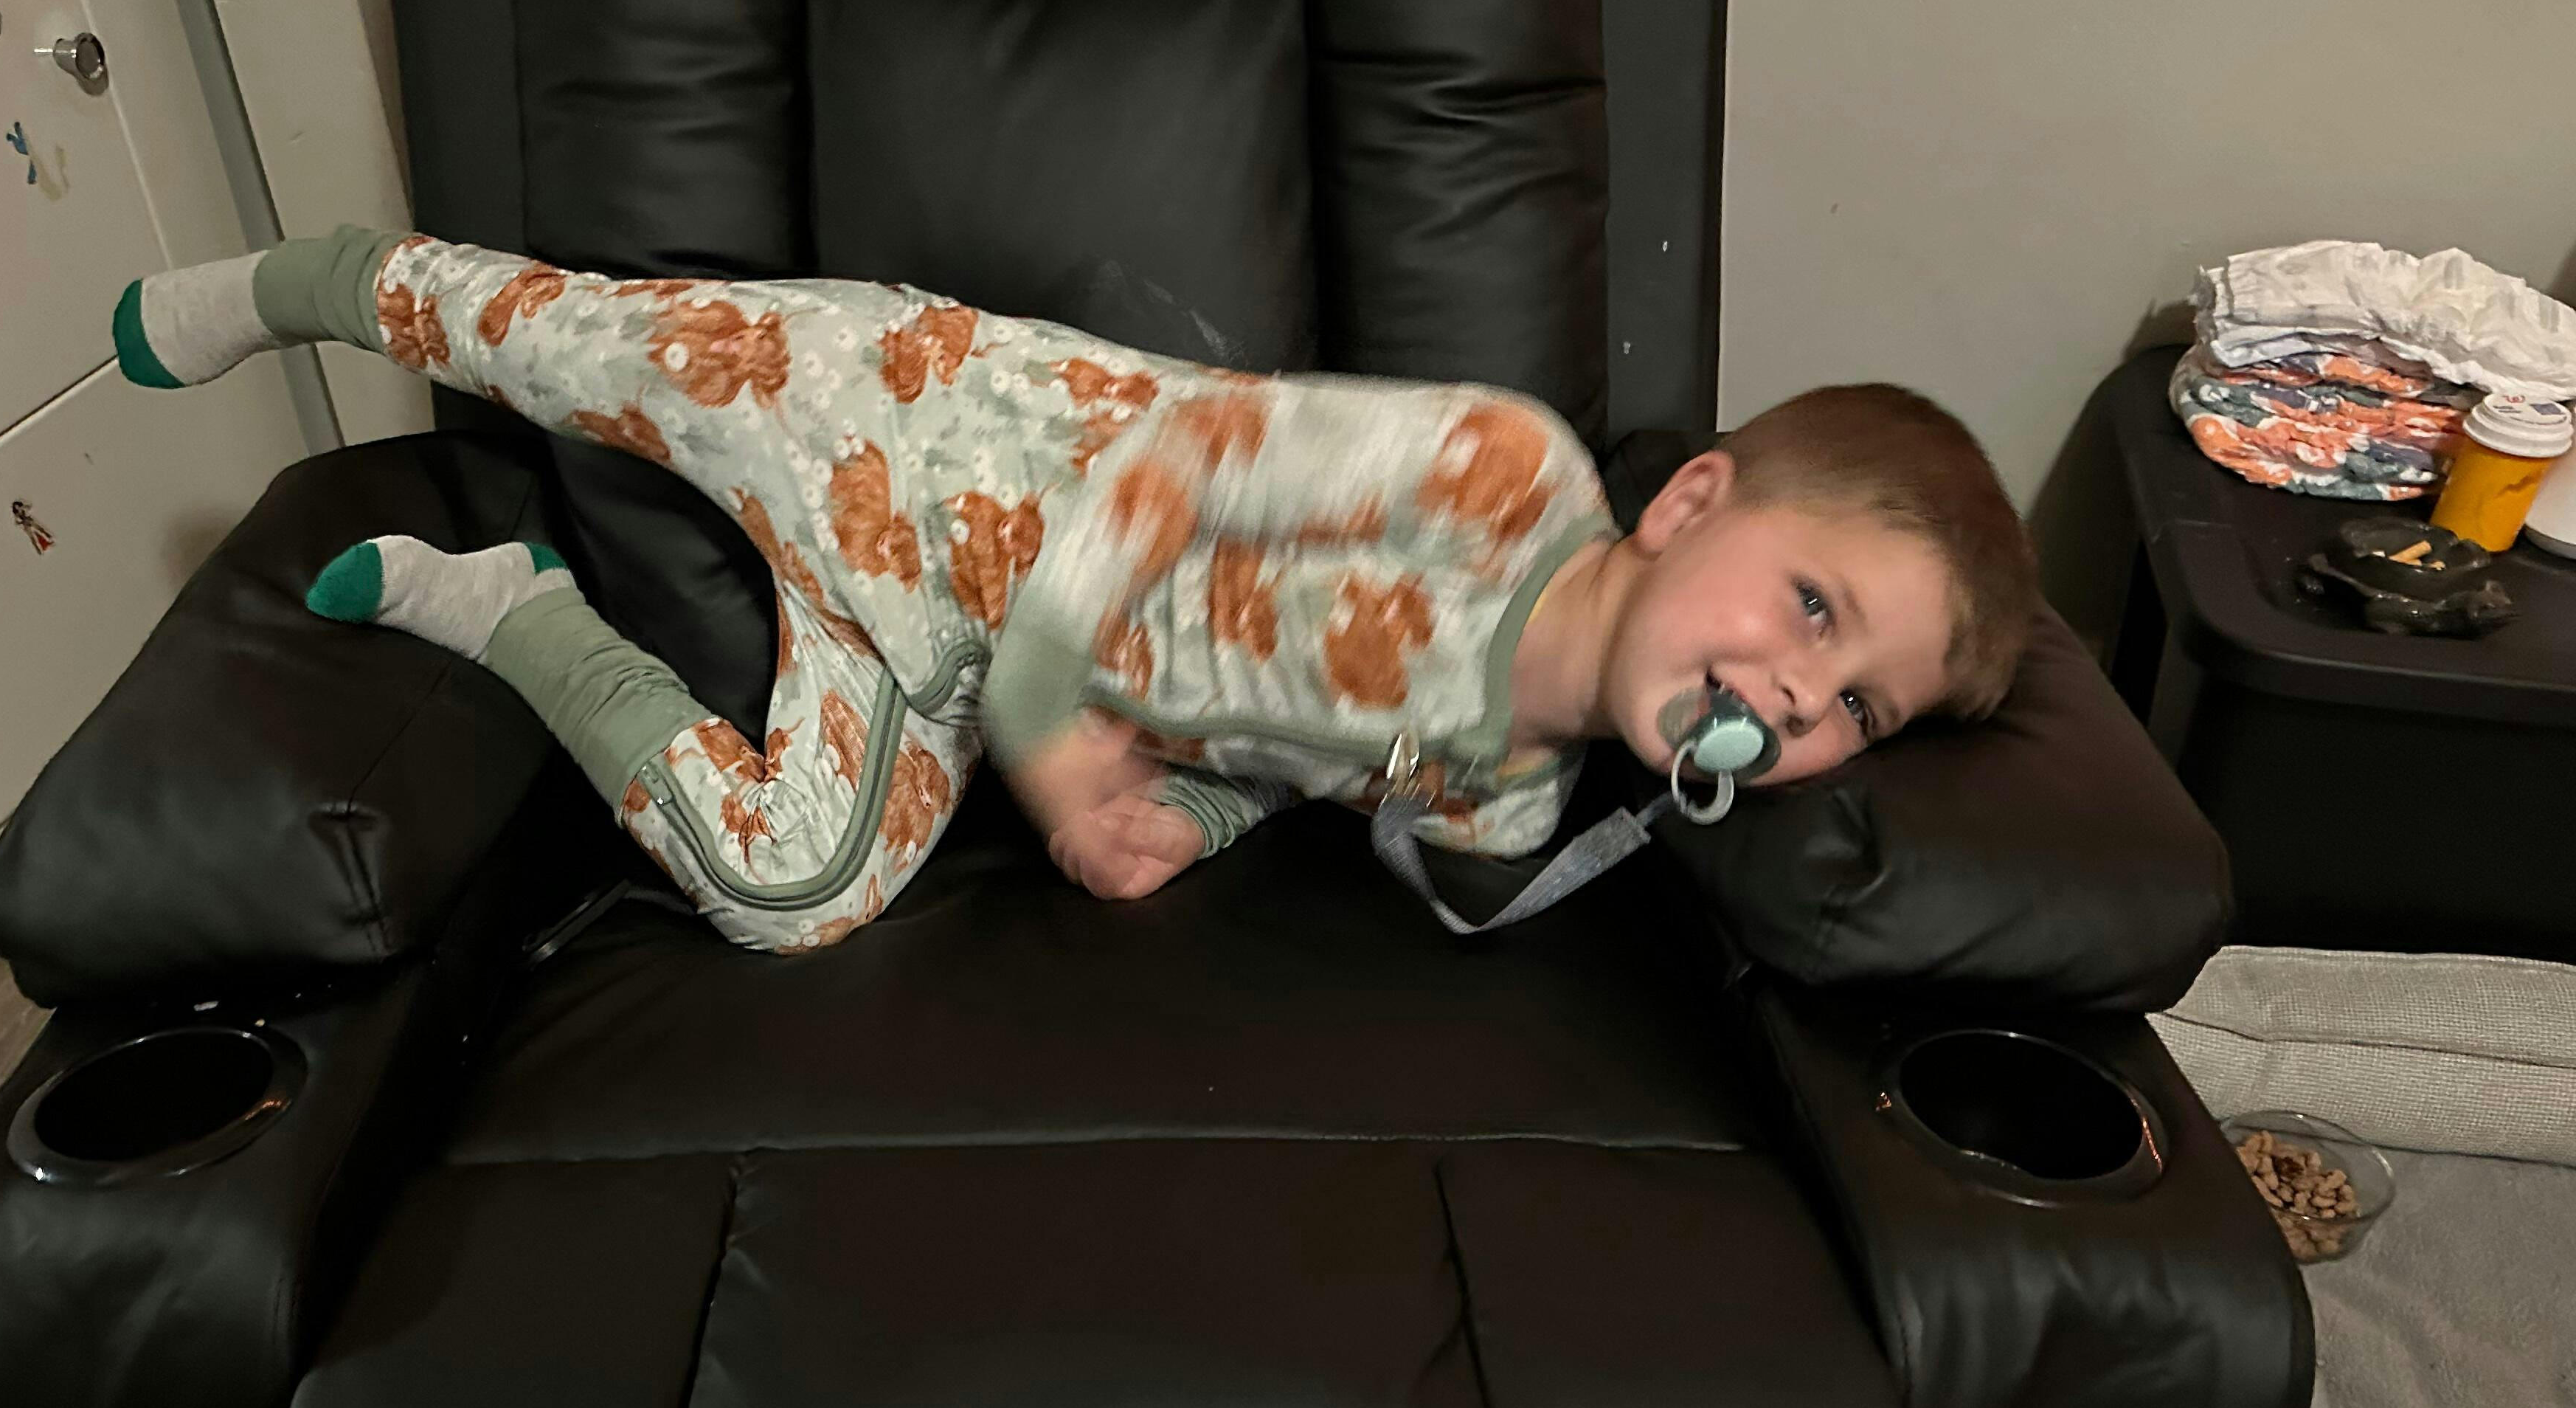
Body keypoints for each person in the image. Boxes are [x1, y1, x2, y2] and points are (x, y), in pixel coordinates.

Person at [112, 228, 2037, 952]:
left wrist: (1176, 815)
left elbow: (1300, 757)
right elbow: (1192, 462)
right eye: (1813, 610)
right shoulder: (1502, 473)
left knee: (793, 898)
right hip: (917, 420)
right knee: (558, 342)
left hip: (944, 660)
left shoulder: (1504, 806)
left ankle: (508, 612)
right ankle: (308, 280)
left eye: (1857, 707)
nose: (1803, 698)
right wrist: (1055, 719)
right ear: (1690, 505)